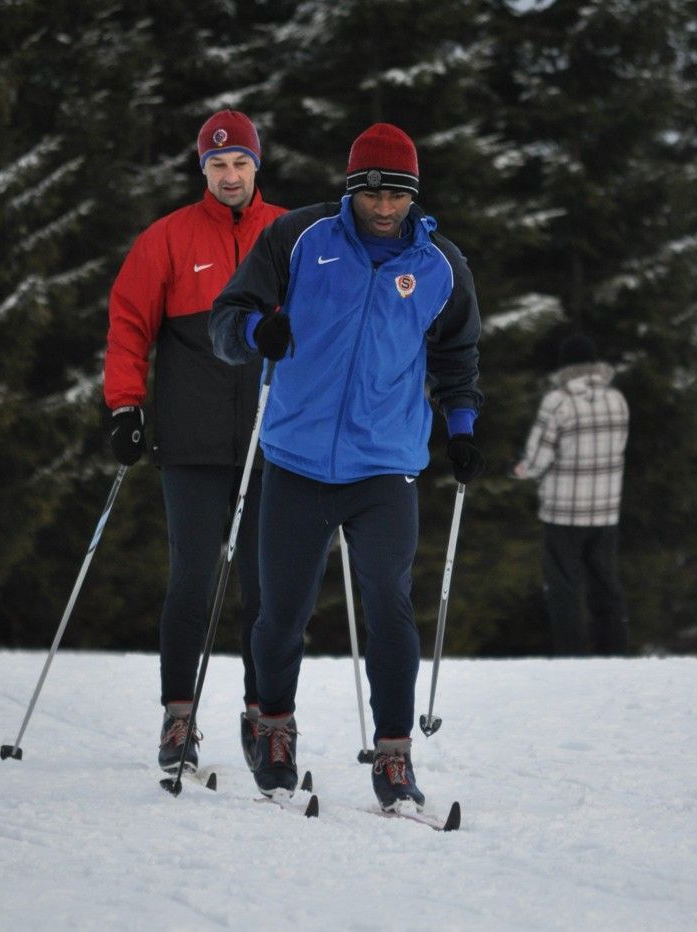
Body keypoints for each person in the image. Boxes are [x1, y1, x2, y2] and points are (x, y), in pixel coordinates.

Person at [210, 122, 484, 811]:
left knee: (391, 608)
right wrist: (254, 331)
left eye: (397, 194)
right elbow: (228, 317)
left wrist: (463, 429)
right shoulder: (299, 240)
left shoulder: (440, 265)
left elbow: (458, 358)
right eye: (372, 193)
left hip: (385, 464)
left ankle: (394, 754)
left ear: (414, 196)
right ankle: (272, 725)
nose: (385, 207)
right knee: (282, 611)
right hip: (297, 459)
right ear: (350, 189)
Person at [103, 110, 286, 774]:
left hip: (276, 442)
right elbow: (128, 323)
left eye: (240, 163)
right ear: (201, 169)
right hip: (191, 439)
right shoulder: (168, 239)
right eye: (217, 165)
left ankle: (265, 717)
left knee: (269, 589)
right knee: (193, 581)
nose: (229, 176)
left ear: (256, 166)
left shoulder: (291, 234)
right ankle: (179, 717)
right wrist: (125, 404)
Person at [511, 333, 630, 655]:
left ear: (565, 366)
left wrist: (521, 469)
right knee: (605, 580)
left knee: (564, 585)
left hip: (563, 511)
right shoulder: (616, 399)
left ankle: (572, 655)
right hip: (605, 510)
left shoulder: (558, 401)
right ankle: (616, 650)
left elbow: (537, 459)